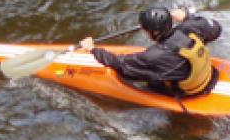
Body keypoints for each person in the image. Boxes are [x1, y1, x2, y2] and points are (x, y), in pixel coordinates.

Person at [79, 6, 222, 97]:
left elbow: (120, 64)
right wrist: (186, 16)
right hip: (208, 73)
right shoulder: (191, 27)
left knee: (129, 75)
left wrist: (93, 49)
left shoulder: (154, 56)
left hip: (188, 92)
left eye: (145, 30)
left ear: (153, 32)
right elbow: (216, 28)